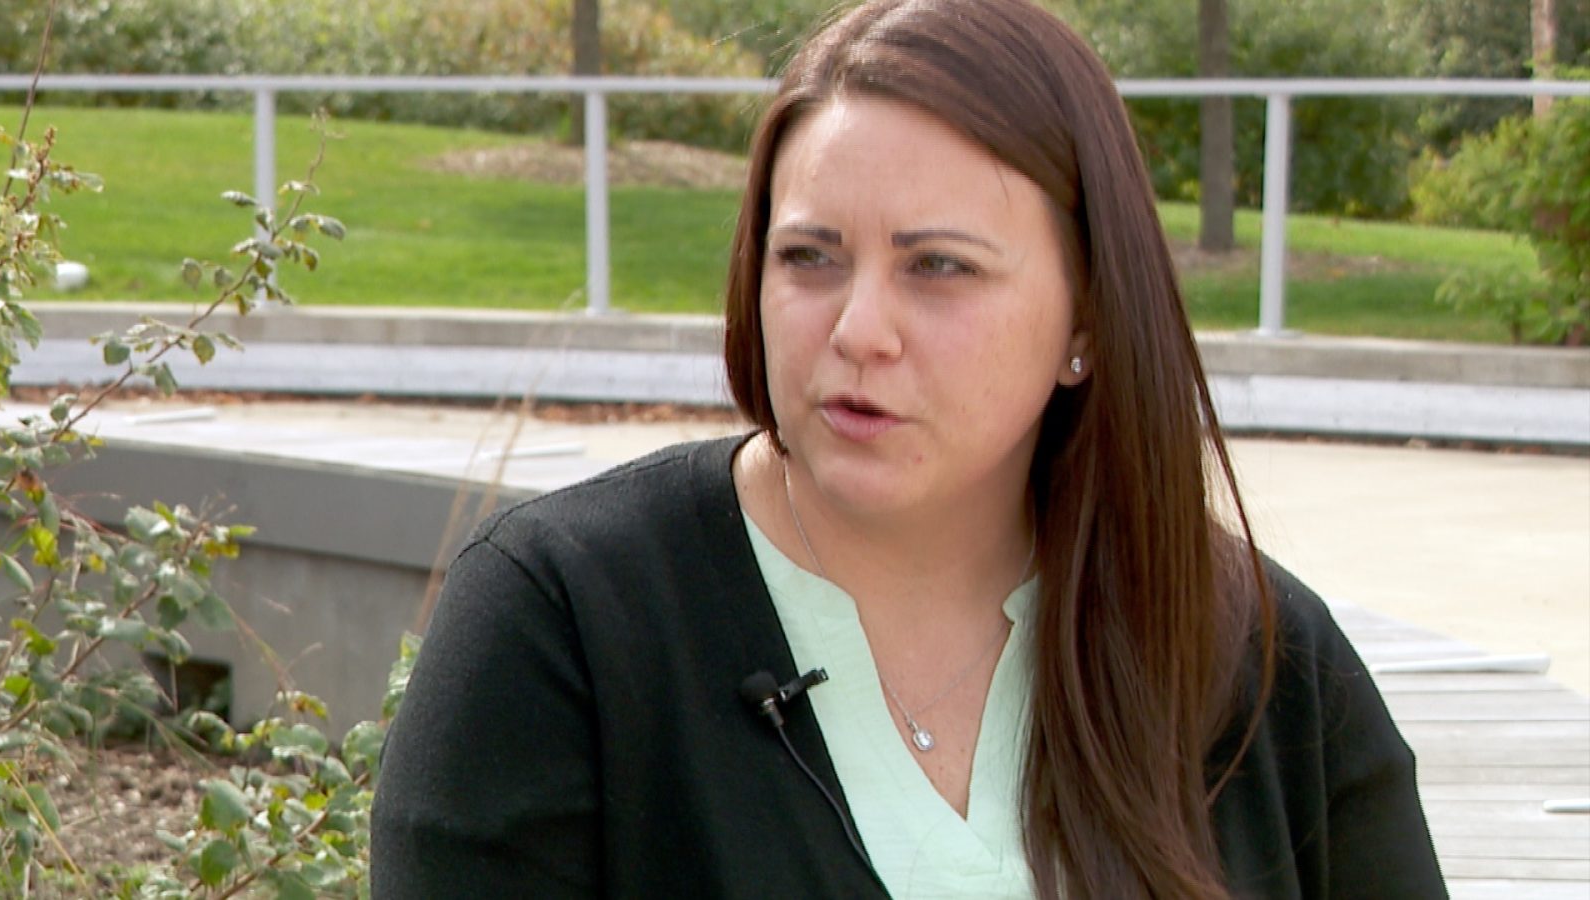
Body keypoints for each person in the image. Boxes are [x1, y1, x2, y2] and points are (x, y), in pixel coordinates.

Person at [370, 1, 1446, 897]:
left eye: (938, 266)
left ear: (1086, 319)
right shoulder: (560, 625)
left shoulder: (1254, 658)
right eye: (810, 258)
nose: (856, 330)